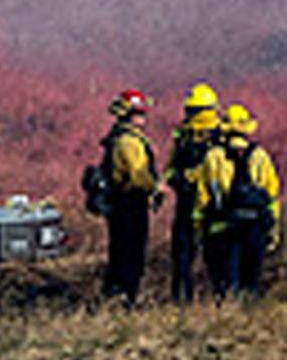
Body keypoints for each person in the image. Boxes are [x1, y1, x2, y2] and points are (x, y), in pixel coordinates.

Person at [79, 90, 158, 305]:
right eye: (139, 113)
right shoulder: (128, 143)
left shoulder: (121, 138)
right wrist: (155, 188)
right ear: (128, 114)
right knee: (130, 254)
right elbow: (137, 176)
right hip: (130, 203)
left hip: (122, 204)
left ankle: (117, 296)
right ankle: (124, 298)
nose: (143, 117)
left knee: (122, 251)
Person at [207, 103, 281, 298]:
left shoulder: (214, 156)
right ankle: (251, 320)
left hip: (226, 228)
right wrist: (273, 227)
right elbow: (272, 192)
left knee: (228, 283)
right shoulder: (260, 156)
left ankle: (230, 320)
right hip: (256, 227)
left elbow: (204, 196)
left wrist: (202, 228)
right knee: (252, 281)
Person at [165, 83, 224, 304]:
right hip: (186, 202)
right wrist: (172, 179)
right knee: (181, 255)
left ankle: (220, 301)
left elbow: (218, 170)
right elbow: (172, 165)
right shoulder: (183, 136)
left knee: (215, 256)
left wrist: (191, 177)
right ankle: (181, 302)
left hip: (212, 205)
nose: (192, 116)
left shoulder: (221, 137)